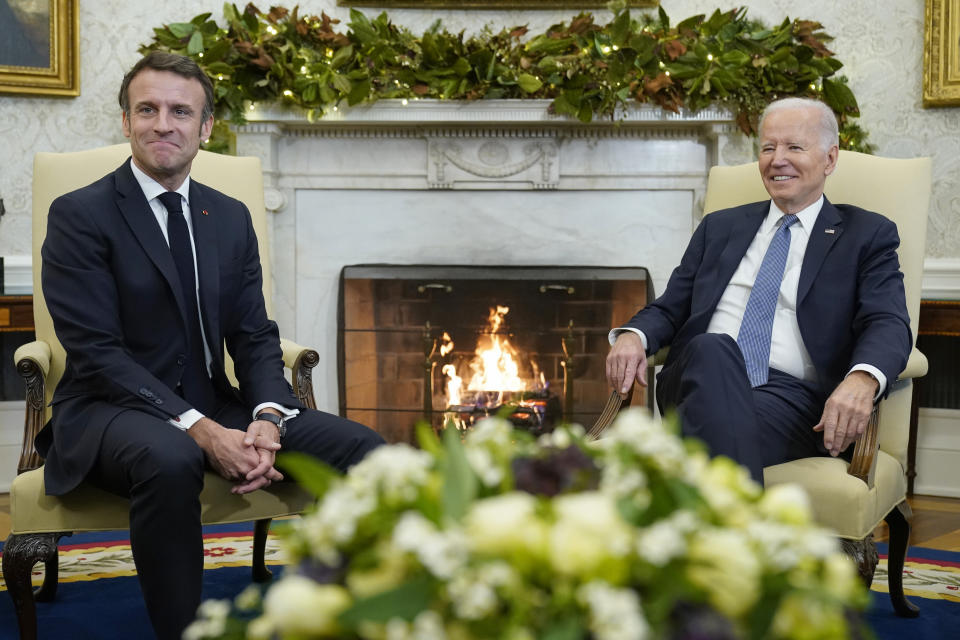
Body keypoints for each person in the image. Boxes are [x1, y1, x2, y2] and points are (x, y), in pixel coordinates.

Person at [37, 51, 384, 639]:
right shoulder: (80, 215)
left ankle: (355, 615)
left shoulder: (228, 216)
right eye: (146, 109)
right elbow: (96, 352)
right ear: (125, 121)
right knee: (170, 458)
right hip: (108, 411)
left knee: (364, 449)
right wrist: (199, 429)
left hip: (212, 399)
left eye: (180, 111)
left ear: (205, 127)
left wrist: (269, 417)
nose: (162, 124)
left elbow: (253, 336)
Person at [606, 97, 912, 484]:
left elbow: (888, 322)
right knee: (713, 347)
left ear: (830, 160)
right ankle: (745, 537)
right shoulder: (720, 227)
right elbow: (670, 308)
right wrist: (633, 335)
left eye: (794, 147)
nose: (776, 159)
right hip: (695, 374)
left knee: (705, 433)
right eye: (768, 148)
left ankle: (705, 525)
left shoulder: (866, 234)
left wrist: (862, 379)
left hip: (791, 400)